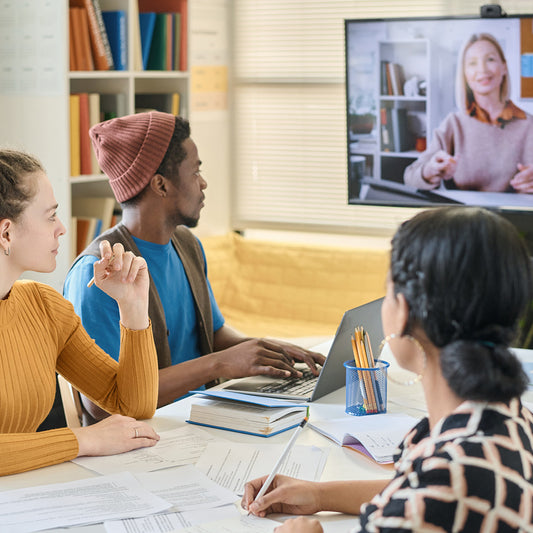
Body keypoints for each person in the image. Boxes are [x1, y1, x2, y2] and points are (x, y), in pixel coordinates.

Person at [243, 206, 533, 532]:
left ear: (404, 311)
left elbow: (432, 496)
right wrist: (319, 493)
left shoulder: (442, 488)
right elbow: (417, 487)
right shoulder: (510, 419)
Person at [63, 111, 325, 422]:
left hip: (202, 420)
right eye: (195, 171)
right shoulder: (99, 274)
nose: (203, 183)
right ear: (161, 185)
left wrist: (263, 349)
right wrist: (220, 363)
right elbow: (103, 404)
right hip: (144, 440)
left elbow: (211, 333)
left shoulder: (186, 245)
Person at [0, 149, 160, 477]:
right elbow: (95, 435)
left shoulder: (44, 306)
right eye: (50, 216)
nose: (62, 228)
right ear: (6, 233)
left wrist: (132, 306)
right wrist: (85, 439)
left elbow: (134, 407)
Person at [404, 33, 533, 193]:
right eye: (472, 63)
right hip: (464, 217)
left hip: (515, 217)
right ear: (465, 74)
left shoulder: (529, 125)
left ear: (504, 67)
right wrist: (431, 170)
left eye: (490, 59)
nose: (482, 69)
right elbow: (410, 176)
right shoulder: (454, 123)